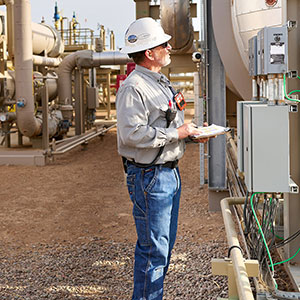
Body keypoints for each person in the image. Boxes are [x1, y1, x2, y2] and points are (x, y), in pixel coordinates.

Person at [116, 17, 209, 300]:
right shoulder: (134, 87)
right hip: (150, 177)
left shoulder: (157, 82)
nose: (169, 48)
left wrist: (189, 134)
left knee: (163, 247)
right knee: (153, 250)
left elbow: (166, 125)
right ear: (149, 52)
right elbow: (131, 134)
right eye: (163, 44)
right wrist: (176, 134)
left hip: (166, 174)